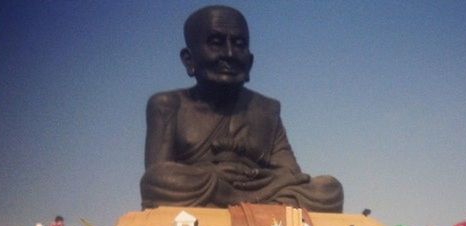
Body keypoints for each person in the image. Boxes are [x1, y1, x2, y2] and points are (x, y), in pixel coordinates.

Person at [140, 5, 343, 212]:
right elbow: (157, 175)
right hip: (208, 187)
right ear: (188, 59)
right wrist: (215, 175)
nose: (229, 53)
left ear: (250, 62)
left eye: (239, 44)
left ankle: (244, 204)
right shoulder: (168, 105)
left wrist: (253, 177)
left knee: (328, 189)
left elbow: (291, 174)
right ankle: (253, 206)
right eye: (216, 43)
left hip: (259, 189)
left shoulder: (266, 109)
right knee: (158, 181)